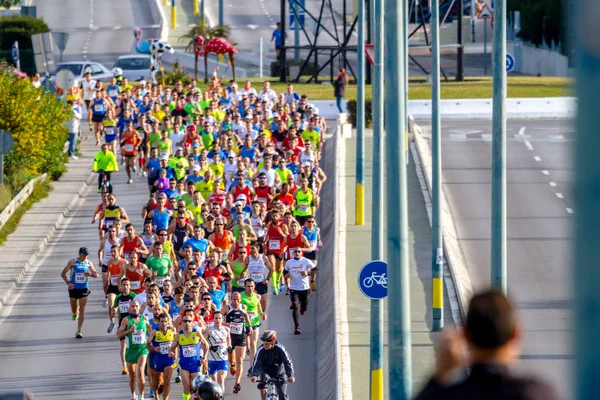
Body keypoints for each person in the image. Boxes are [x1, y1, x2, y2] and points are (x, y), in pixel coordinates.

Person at [415, 289, 559, 400]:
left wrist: (440, 374)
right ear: (516, 334)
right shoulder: (536, 394)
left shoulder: (447, 397)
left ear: (465, 336)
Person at [169, 311, 210, 400]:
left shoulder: (197, 333)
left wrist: (204, 358)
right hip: (184, 364)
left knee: (197, 387)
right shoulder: (179, 335)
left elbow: (207, 345)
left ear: (192, 323)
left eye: (189, 321)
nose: (187, 323)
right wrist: (170, 352)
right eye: (185, 321)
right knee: (186, 385)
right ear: (182, 323)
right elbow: (172, 347)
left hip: (196, 364)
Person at [60, 247, 99, 338]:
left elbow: (96, 274)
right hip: (73, 288)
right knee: (74, 309)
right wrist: (68, 283)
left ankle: (79, 330)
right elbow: (63, 273)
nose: (85, 257)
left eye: (86, 256)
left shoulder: (88, 263)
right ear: (79, 254)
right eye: (83, 255)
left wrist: (91, 275)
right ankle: (74, 312)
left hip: (83, 288)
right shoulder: (72, 262)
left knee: (82, 309)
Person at [117, 300, 152, 400]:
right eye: (132, 306)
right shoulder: (126, 320)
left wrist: (151, 338)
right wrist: (129, 331)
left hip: (142, 350)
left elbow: (151, 332)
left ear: (139, 308)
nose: (135, 308)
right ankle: (133, 395)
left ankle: (141, 396)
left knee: (140, 371)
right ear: (129, 309)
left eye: (136, 306)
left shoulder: (144, 319)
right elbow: (119, 335)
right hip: (130, 351)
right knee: (132, 377)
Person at [251, 330, 295, 400]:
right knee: (263, 384)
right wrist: (254, 375)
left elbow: (288, 362)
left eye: (267, 344)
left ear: (272, 343)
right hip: (266, 372)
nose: (264, 346)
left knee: (283, 397)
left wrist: (290, 375)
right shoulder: (261, 350)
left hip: (279, 372)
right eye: (263, 343)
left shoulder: (280, 349)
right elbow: (256, 363)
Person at [284, 246, 317, 335]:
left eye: (299, 251)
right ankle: (297, 327)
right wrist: (286, 276)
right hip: (294, 288)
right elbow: (285, 272)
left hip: (305, 288)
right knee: (295, 307)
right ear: (293, 253)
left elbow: (315, 270)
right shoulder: (289, 262)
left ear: (301, 252)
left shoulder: (305, 261)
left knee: (304, 305)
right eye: (295, 251)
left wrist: (308, 273)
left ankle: (304, 308)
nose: (297, 253)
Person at [226, 291, 252, 394]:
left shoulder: (243, 308)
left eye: (237, 299)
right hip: (230, 338)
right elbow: (218, 316)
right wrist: (224, 324)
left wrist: (249, 326)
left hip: (241, 337)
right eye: (234, 299)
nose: (236, 301)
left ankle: (237, 383)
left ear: (240, 299)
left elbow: (246, 317)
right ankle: (232, 365)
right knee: (232, 361)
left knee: (240, 360)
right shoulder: (227, 308)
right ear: (231, 299)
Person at [146, 312, 176, 400]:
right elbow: (147, 345)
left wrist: (175, 352)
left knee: (167, 380)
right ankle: (156, 397)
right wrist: (154, 348)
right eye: (162, 321)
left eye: (165, 321)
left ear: (168, 322)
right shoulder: (154, 332)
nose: (164, 323)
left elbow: (176, 342)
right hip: (158, 359)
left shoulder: (172, 330)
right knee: (156, 382)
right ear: (159, 322)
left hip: (168, 359)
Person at [204, 312, 231, 389]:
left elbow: (228, 338)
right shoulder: (209, 330)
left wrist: (229, 346)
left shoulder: (226, 329)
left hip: (223, 359)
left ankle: (221, 397)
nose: (218, 320)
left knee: (220, 379)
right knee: (214, 382)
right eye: (216, 318)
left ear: (222, 319)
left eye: (219, 318)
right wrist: (210, 347)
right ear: (213, 319)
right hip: (211, 359)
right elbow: (203, 343)